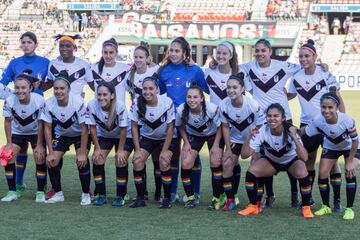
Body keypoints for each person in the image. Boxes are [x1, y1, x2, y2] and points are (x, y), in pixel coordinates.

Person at [287, 39, 345, 210]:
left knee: (332, 162)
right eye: (301, 56)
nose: (303, 59)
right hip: (307, 125)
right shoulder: (296, 76)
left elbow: (337, 98)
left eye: (307, 56)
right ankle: (308, 199)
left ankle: (337, 201)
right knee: (308, 160)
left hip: (328, 124)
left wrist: (341, 120)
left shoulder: (325, 73)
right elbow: (289, 95)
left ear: (315, 56)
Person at [239, 103, 314, 218]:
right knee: (251, 172)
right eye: (269, 116)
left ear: (283, 118)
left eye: (276, 116)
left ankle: (306, 207)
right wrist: (249, 137)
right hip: (272, 162)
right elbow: (244, 155)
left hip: (291, 162)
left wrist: (294, 136)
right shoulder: (262, 131)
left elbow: (304, 158)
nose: (272, 118)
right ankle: (253, 206)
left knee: (303, 173)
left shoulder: (290, 130)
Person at [158, 36, 209, 204]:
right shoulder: (163, 71)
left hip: (191, 121)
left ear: (185, 52)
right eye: (171, 50)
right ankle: (172, 192)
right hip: (172, 122)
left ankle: (195, 192)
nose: (173, 53)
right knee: (173, 156)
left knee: (192, 155)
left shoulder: (195, 70)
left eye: (176, 50)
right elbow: (159, 94)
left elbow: (206, 91)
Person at [0, 32, 49, 195]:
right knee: (19, 150)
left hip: (37, 111)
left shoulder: (45, 62)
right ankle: (19, 183)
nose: (26, 44)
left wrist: (40, 89)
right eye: (24, 42)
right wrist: (11, 97)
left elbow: (53, 82)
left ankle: (43, 186)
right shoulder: (14, 63)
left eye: (30, 42)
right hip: (19, 111)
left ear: (36, 44)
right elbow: (3, 84)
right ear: (20, 44)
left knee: (40, 150)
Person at [303, 93, 359, 220]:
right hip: (332, 147)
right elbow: (305, 131)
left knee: (349, 171)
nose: (326, 110)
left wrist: (349, 161)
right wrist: (291, 129)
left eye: (330, 107)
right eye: (323, 107)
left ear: (337, 107)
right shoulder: (318, 120)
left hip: (351, 147)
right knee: (322, 174)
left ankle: (349, 209)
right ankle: (326, 206)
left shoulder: (347, 120)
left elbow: (355, 141)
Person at [41, 71, 91, 205]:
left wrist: (82, 153)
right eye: (56, 88)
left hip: (80, 134)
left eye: (62, 88)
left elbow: (85, 128)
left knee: (81, 160)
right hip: (62, 134)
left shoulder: (78, 102)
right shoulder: (48, 103)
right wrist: (50, 152)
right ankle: (58, 193)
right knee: (51, 161)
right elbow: (47, 128)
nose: (59, 91)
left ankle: (86, 194)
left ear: (68, 89)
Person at [219, 73, 264, 211]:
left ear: (242, 89)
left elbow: (261, 126)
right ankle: (231, 200)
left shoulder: (252, 105)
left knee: (256, 167)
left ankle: (258, 201)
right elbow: (225, 127)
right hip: (235, 139)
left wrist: (255, 147)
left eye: (235, 87)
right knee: (226, 164)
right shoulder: (223, 105)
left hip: (254, 139)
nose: (231, 90)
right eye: (228, 88)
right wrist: (228, 148)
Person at [129, 77, 175, 208]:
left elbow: (171, 127)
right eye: (145, 88)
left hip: (165, 138)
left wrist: (165, 150)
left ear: (157, 90)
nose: (147, 91)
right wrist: (137, 150)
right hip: (147, 138)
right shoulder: (137, 103)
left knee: (164, 161)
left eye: (151, 88)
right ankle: (140, 197)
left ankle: (166, 199)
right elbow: (133, 126)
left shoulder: (167, 102)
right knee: (137, 160)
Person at [1, 70, 46, 202]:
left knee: (39, 156)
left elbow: (41, 124)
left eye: (23, 88)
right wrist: (9, 143)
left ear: (30, 88)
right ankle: (12, 191)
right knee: (9, 156)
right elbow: (8, 122)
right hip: (18, 133)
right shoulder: (9, 100)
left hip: (35, 133)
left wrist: (39, 145)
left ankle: (40, 192)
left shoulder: (39, 100)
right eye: (17, 87)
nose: (20, 91)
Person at [175, 85, 222, 208]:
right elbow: (179, 126)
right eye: (189, 97)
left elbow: (221, 127)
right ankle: (190, 198)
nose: (192, 100)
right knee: (186, 162)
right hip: (194, 135)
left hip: (213, 135)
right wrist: (186, 142)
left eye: (195, 97)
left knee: (215, 162)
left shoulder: (211, 109)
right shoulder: (181, 109)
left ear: (202, 98)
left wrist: (216, 145)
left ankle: (216, 199)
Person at [127, 41, 161, 201]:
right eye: (136, 57)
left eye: (141, 57)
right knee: (139, 155)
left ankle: (158, 193)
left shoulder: (155, 70)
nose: (138, 59)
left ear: (147, 58)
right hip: (139, 120)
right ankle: (143, 193)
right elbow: (131, 95)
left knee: (157, 159)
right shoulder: (130, 74)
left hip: (155, 118)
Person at [87, 82, 128, 206]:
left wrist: (120, 150)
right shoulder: (92, 105)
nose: (101, 98)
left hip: (123, 136)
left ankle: (121, 196)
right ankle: (101, 195)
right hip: (105, 136)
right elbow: (92, 128)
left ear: (112, 96)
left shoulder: (120, 106)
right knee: (97, 159)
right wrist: (97, 148)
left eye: (105, 94)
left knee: (120, 159)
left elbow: (123, 130)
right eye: (99, 94)